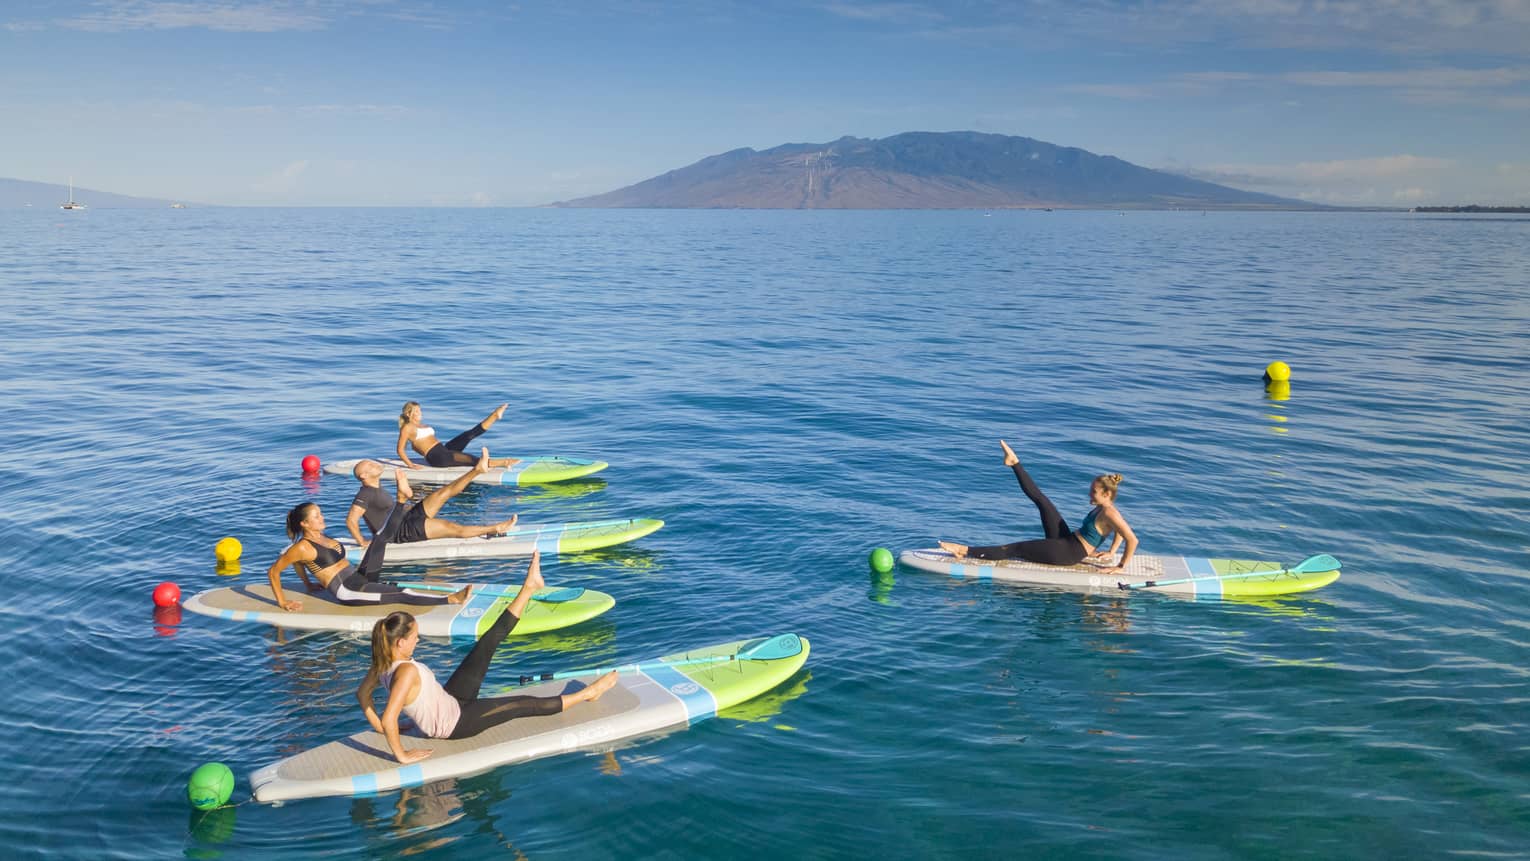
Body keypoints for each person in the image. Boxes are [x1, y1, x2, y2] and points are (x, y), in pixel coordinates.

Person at [357, 550, 620, 764]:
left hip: (452, 700)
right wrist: (400, 753)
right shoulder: (405, 673)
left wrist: (380, 728)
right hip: (456, 724)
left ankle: (529, 587)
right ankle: (588, 694)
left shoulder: (382, 663)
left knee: (488, 641)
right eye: (415, 637)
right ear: (401, 642)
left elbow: (362, 695)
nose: (418, 640)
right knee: (521, 705)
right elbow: (391, 716)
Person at [265, 472, 473, 612]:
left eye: (320, 514)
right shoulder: (302, 547)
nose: (322, 518)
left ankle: (401, 499)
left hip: (359, 577)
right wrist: (282, 602)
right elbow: (275, 570)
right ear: (305, 524)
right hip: (348, 591)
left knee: (380, 539)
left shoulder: (322, 537)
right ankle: (451, 600)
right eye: (317, 516)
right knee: (401, 594)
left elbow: (299, 563)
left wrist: (308, 584)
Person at [937, 439, 1138, 574]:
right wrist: (1111, 551)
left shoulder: (1110, 512)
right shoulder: (1106, 510)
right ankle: (1014, 463)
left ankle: (964, 550)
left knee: (1015, 548)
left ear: (1107, 494)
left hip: (1068, 553)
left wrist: (1120, 565)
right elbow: (1119, 531)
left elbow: (1132, 539)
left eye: (1094, 491)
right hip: (1067, 541)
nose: (1089, 494)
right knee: (1042, 501)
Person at [347, 448, 519, 549]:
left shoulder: (376, 488)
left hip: (407, 518)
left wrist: (412, 506)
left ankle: (478, 470)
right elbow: (351, 520)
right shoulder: (365, 493)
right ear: (363, 475)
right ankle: (495, 528)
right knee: (452, 528)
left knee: (444, 492)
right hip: (400, 533)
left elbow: (387, 512)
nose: (374, 463)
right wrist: (362, 541)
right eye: (370, 465)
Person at [397, 401, 521, 470]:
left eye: (420, 410)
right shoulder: (407, 428)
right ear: (408, 414)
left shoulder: (421, 425)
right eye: (417, 411)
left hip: (443, 449)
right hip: (437, 457)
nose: (420, 413)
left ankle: (495, 415)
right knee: (470, 459)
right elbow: (400, 449)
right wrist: (410, 465)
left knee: (469, 435)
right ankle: (504, 462)